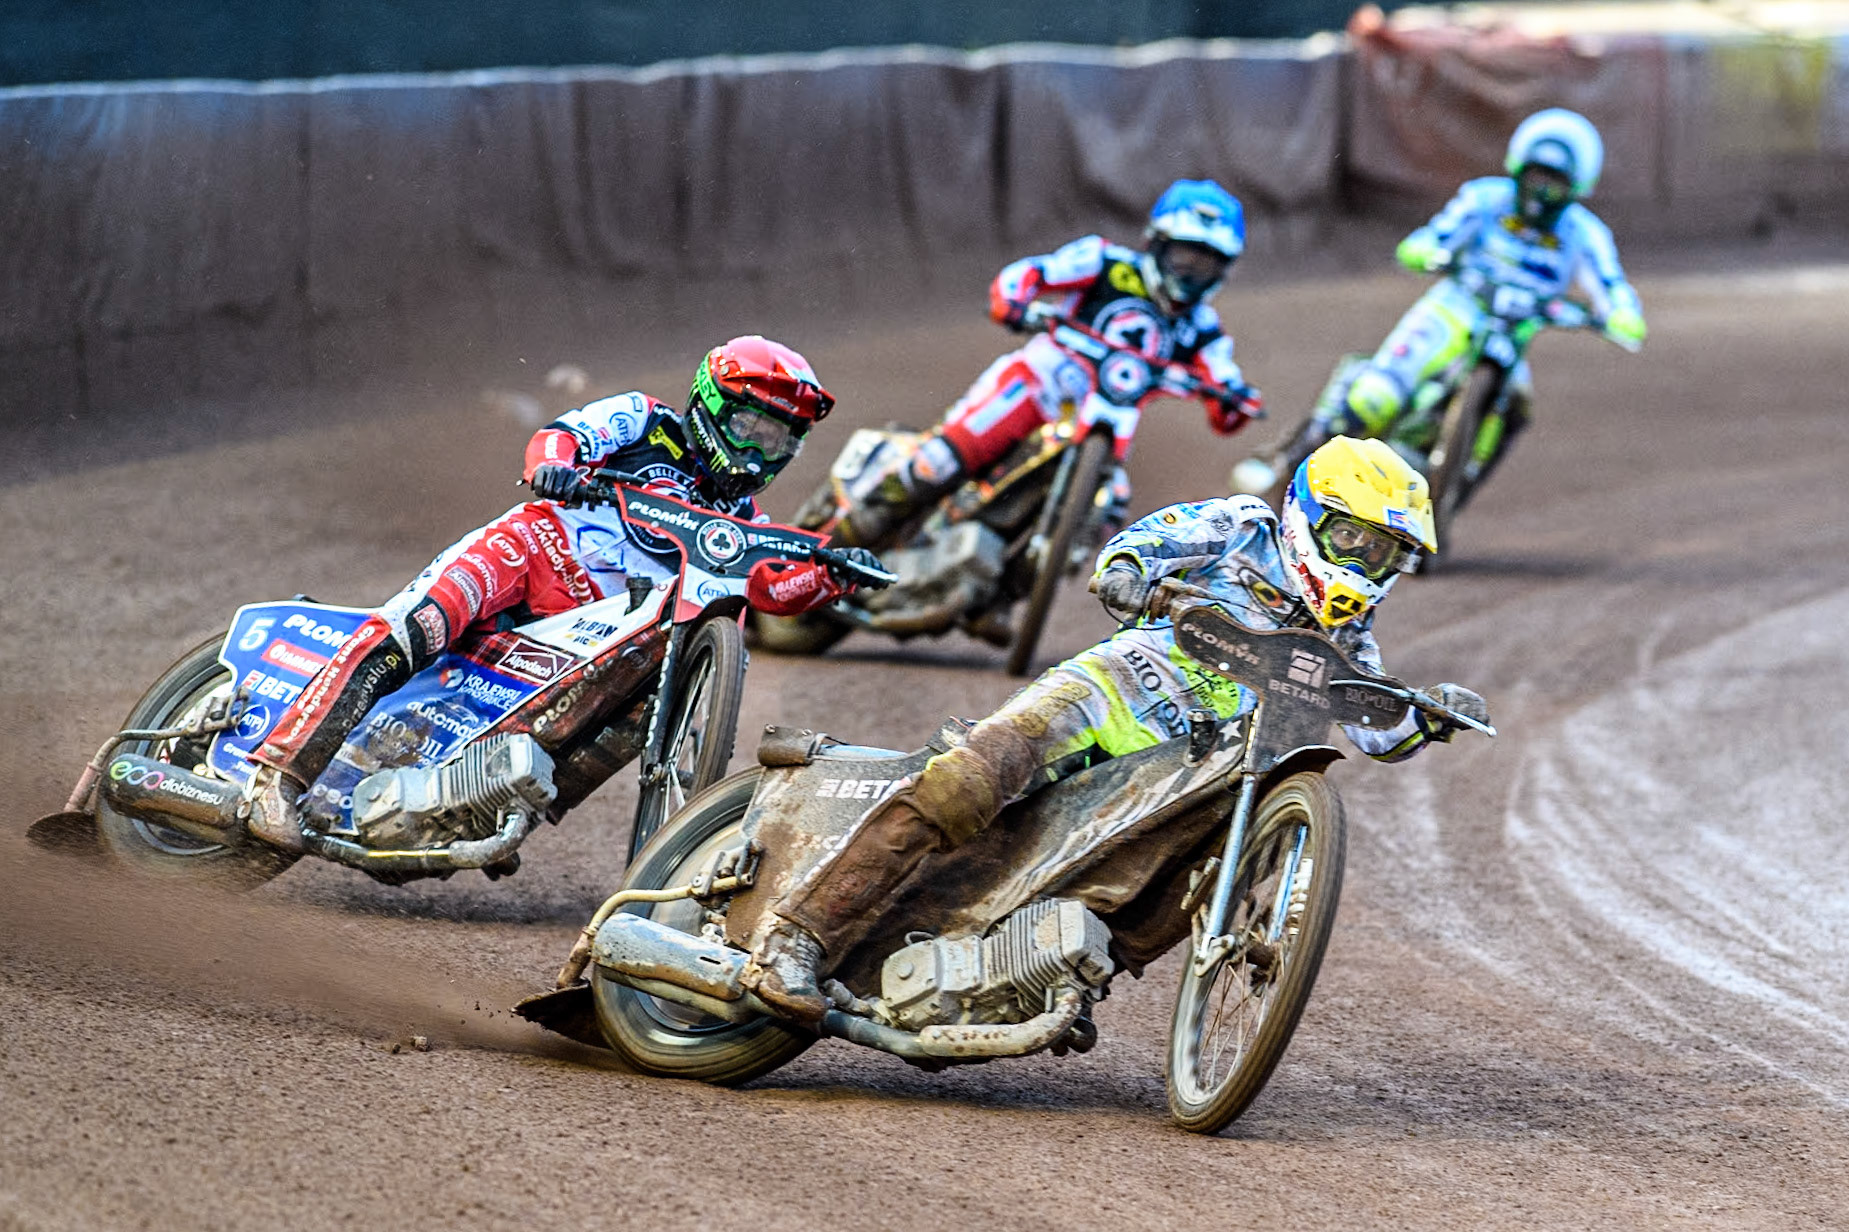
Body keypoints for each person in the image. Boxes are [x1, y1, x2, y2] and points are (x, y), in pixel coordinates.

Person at [746, 436, 1488, 1021]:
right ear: (1308, 513)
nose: (1365, 563)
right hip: (1113, 690)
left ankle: (1040, 978)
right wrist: (1134, 576)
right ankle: (795, 936)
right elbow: (1132, 550)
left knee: (1162, 895)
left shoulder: (1351, 636)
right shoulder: (1240, 526)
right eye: (1354, 540)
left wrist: (1432, 712)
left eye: (1384, 553)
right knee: (972, 782)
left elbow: (1378, 729)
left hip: (1180, 768)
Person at [242, 336, 878, 852]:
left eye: (778, 440)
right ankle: (279, 773)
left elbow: (770, 587)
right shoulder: (645, 419)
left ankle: (495, 806)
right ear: (712, 405)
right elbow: (563, 435)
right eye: (751, 427)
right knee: (418, 627)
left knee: (647, 698)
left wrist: (830, 573)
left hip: (586, 628)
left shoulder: (742, 519)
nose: (760, 451)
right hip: (533, 549)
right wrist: (556, 465)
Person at [1237, 108, 1646, 496]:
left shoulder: (1585, 235)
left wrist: (1622, 316)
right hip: (1453, 309)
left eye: (1555, 182)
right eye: (1537, 175)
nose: (1542, 190)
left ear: (1575, 188)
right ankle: (1288, 461)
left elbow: (1611, 286)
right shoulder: (1485, 200)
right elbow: (1436, 236)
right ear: (1518, 169)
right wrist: (1427, 249)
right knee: (1374, 398)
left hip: (1513, 333)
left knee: (1519, 406)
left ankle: (1458, 486)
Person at [832, 179, 1262, 547]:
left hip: (1104, 430)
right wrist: (1016, 303)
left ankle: (1010, 581)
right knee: (936, 464)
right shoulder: (1104, 263)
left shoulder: (1202, 327)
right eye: (1184, 257)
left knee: (1109, 515)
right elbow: (1031, 274)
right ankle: (838, 537)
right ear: (1156, 242)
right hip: (1038, 386)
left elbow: (1224, 385)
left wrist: (1237, 400)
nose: (1190, 273)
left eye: (1205, 265)